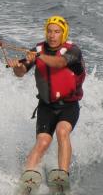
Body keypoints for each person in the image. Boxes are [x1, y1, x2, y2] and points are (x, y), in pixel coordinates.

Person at [7, 15, 85, 184]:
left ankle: (62, 176)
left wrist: (39, 56)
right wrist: (17, 67)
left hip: (69, 106)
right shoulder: (37, 49)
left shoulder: (73, 51)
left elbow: (59, 63)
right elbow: (21, 73)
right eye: (49, 31)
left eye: (57, 32)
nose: (52, 35)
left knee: (62, 131)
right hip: (46, 107)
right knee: (42, 142)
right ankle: (27, 178)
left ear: (63, 33)